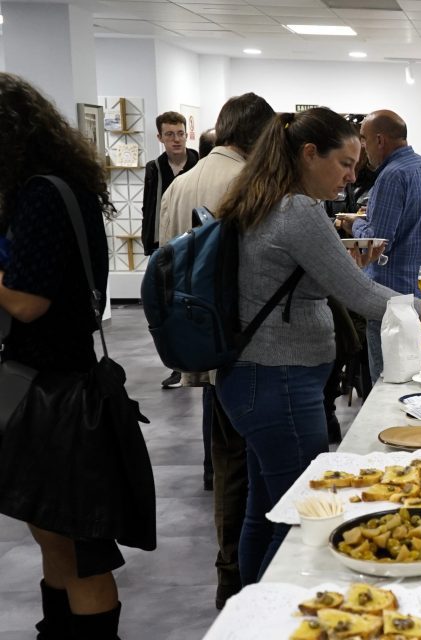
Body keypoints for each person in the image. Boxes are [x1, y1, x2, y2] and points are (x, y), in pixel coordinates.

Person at [216, 106, 421, 584]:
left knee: (266, 509)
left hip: (254, 378)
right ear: (308, 154)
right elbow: (359, 292)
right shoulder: (298, 210)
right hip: (281, 381)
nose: (351, 176)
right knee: (305, 516)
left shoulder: (262, 198)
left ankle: (244, 604)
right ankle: (272, 614)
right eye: (344, 163)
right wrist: (420, 308)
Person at [0, 72, 133, 639]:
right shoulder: (60, 188)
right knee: (56, 536)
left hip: (54, 392)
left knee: (78, 547)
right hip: (47, 383)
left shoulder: (40, 195)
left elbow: (28, 304)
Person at [159, 91, 277, 609]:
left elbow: (163, 267)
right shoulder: (257, 187)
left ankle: (228, 569)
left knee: (225, 458)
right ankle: (253, 574)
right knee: (260, 465)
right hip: (251, 349)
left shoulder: (180, 185)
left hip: (198, 345)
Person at [337, 110, 421, 382]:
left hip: (391, 301)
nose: (362, 148)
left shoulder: (391, 176)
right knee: (418, 384)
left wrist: (354, 224)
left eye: (363, 139)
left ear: (380, 140)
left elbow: (378, 244)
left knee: (388, 385)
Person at [144, 111, 200, 390]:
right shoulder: (155, 167)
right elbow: (150, 206)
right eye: (169, 134)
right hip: (167, 243)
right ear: (160, 137)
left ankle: (198, 361)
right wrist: (150, 243)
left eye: (180, 133)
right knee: (169, 304)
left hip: (195, 241)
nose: (176, 139)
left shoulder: (198, 162)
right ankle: (178, 367)